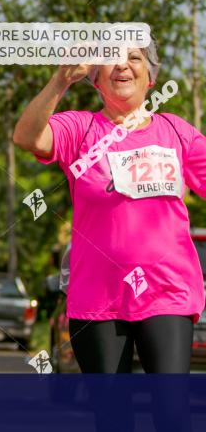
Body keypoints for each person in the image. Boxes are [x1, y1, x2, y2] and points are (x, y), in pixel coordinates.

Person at [13, 45, 206, 373]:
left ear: (150, 77)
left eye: (134, 58)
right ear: (96, 78)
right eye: (111, 59)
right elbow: (26, 137)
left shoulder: (176, 133)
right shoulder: (80, 129)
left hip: (167, 291)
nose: (123, 66)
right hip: (97, 299)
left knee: (172, 410)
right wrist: (60, 81)